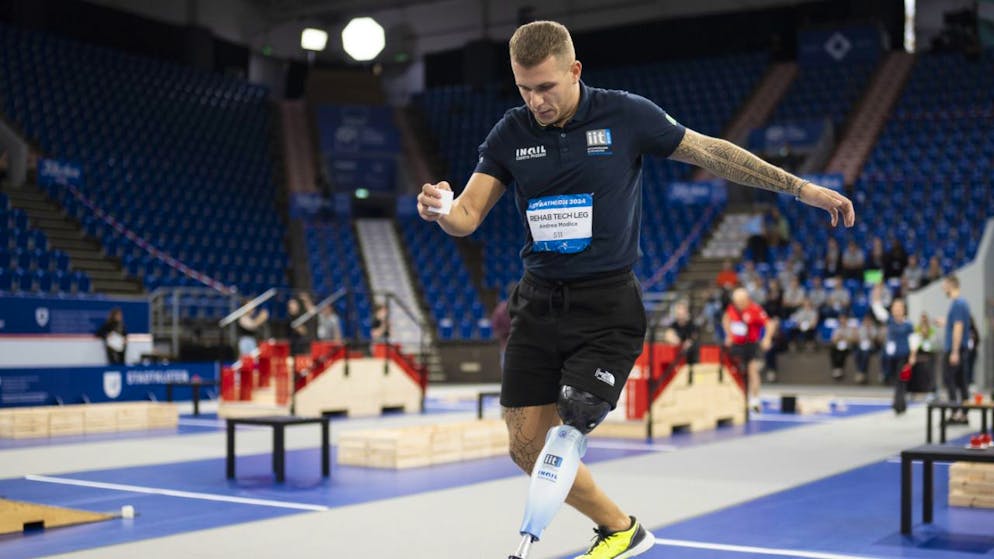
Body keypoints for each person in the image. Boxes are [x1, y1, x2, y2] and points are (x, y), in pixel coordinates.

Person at [416, 20, 854, 559]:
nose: (535, 101)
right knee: (526, 448)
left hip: (606, 308)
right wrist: (441, 209)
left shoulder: (625, 115)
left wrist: (798, 187)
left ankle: (578, 524)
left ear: (575, 71)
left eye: (546, 87)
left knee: (570, 426)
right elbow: (467, 216)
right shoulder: (511, 133)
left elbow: (712, 153)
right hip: (536, 304)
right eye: (524, 88)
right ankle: (623, 529)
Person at [724, 288, 776, 412]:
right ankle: (736, 398)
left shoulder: (755, 309)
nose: (738, 304)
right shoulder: (732, 308)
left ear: (746, 299)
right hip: (736, 345)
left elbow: (769, 324)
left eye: (741, 301)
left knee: (752, 370)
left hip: (750, 345)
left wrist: (767, 338)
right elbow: (726, 319)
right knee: (734, 371)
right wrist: (729, 335)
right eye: (736, 302)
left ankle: (755, 400)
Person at [871, 297, 917, 412]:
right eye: (895, 308)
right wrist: (876, 296)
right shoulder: (890, 321)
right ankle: (898, 402)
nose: (897, 310)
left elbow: (913, 340)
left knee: (902, 380)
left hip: (904, 357)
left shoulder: (908, 325)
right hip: (891, 358)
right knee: (895, 380)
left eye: (899, 308)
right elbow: (878, 311)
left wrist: (913, 355)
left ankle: (900, 404)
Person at [939, 274, 972, 422]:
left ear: (951, 285)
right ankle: (964, 414)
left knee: (950, 380)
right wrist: (945, 322)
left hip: (955, 349)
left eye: (945, 285)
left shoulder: (958, 303)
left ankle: (954, 412)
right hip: (960, 348)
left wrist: (954, 351)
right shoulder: (961, 303)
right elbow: (955, 323)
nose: (942, 288)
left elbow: (958, 327)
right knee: (961, 381)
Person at [828, 312, 857, 381]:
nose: (842, 321)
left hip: (847, 346)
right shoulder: (837, 329)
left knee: (842, 353)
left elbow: (854, 339)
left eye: (844, 319)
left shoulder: (851, 329)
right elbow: (833, 340)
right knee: (833, 351)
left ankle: (840, 369)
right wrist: (838, 338)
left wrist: (845, 338)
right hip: (838, 345)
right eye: (841, 319)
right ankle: (836, 369)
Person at [854, 313, 880, 385]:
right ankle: (861, 372)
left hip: (871, 347)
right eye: (865, 320)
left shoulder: (873, 328)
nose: (867, 322)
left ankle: (861, 372)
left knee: (866, 354)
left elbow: (876, 339)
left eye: (868, 321)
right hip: (861, 346)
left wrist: (869, 334)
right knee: (857, 354)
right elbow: (857, 339)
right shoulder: (861, 328)